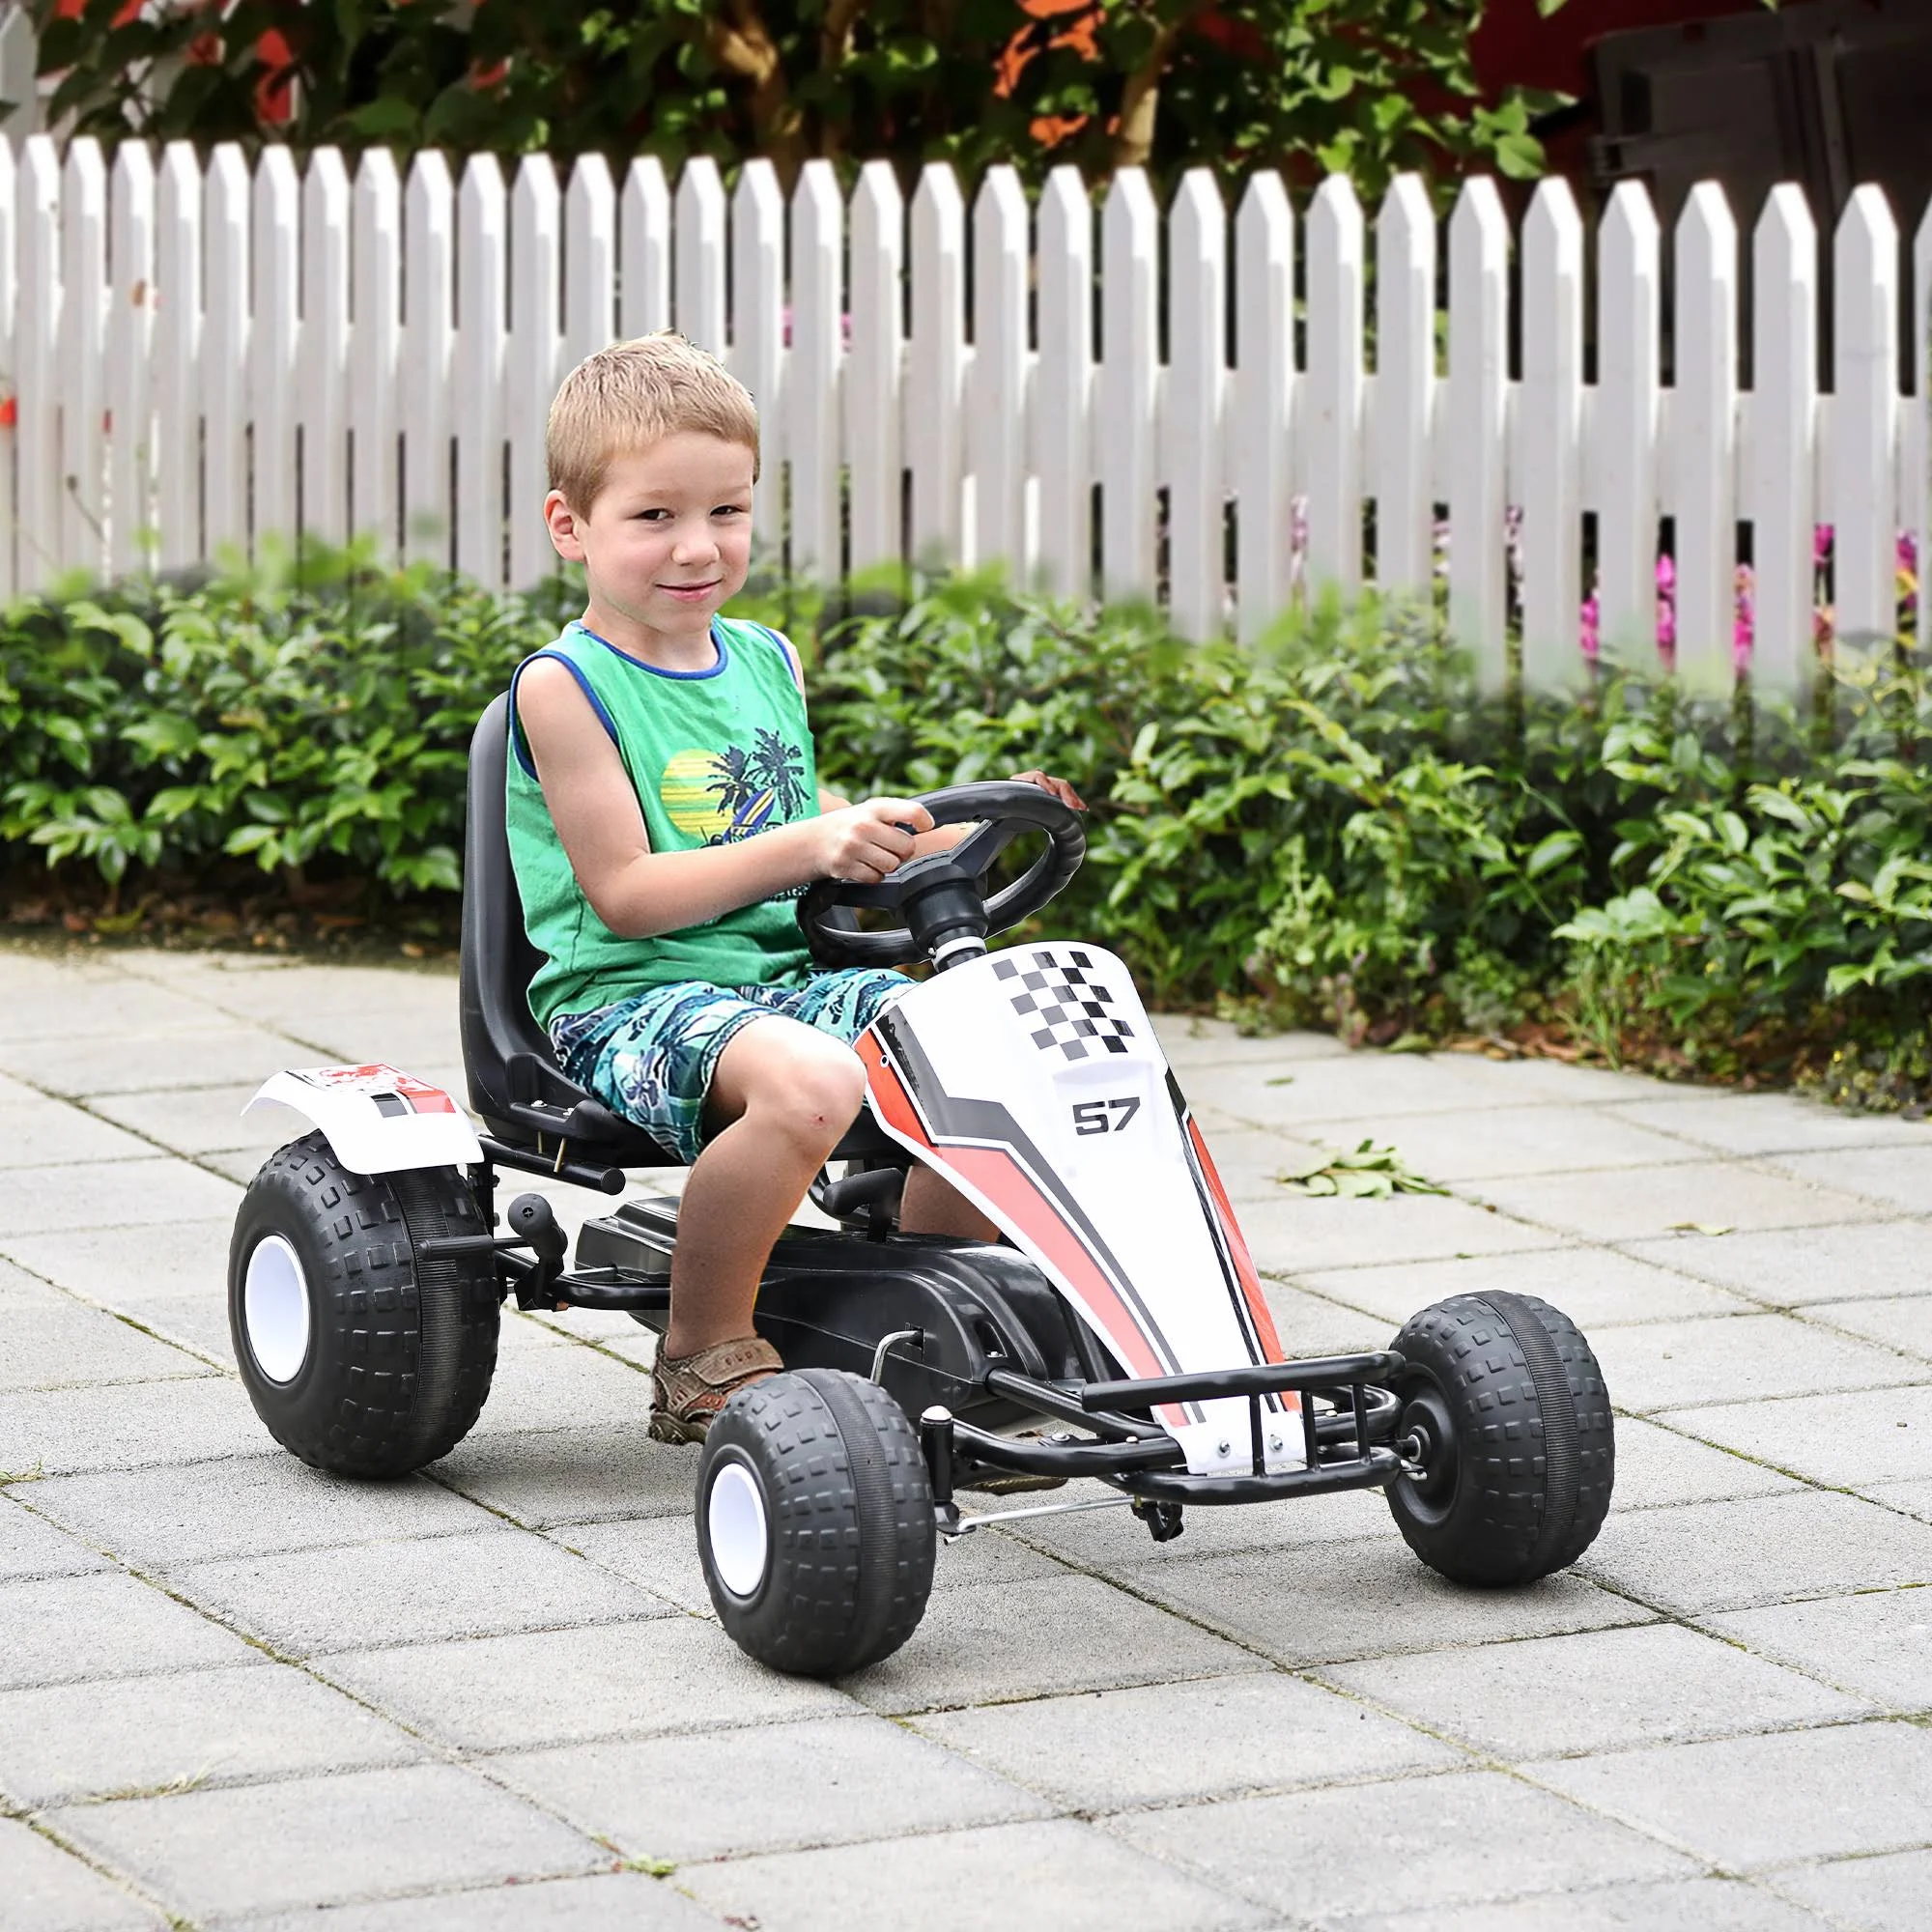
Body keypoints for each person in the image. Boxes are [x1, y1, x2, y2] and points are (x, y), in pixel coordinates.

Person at [507, 332, 1085, 1442]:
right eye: (653, 517)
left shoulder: (765, 658)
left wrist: (921, 838)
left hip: (776, 984)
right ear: (569, 526)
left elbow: (791, 836)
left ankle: (943, 1320)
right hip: (628, 1001)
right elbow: (625, 894)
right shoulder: (564, 686)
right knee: (815, 1082)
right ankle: (702, 1349)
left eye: (725, 512)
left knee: (985, 1036)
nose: (696, 547)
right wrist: (814, 846)